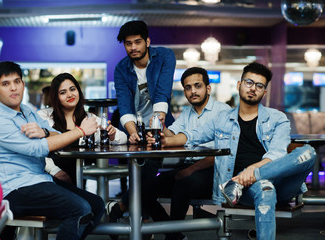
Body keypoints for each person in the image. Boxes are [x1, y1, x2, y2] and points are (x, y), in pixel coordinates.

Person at [147, 62, 316, 240]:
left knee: (308, 152)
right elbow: (192, 136)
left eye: (259, 86)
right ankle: (250, 181)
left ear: (264, 92)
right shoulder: (222, 119)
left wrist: (252, 172)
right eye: (249, 82)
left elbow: (277, 153)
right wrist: (167, 140)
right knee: (265, 189)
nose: (253, 88)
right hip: (253, 190)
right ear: (239, 85)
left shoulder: (277, 119)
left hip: (279, 183)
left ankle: (248, 177)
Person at [0, 61, 105, 240]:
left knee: (97, 205)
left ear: (23, 84)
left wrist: (45, 132)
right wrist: (81, 131)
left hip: (40, 180)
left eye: (17, 82)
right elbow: (37, 148)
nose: (13, 88)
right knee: (81, 209)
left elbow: (56, 136)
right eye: (6, 84)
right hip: (13, 191)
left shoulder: (27, 111)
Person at [143, 67, 231, 240]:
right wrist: (162, 127)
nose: (193, 91)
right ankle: (174, 234)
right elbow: (174, 136)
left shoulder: (223, 111)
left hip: (212, 169)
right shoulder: (187, 113)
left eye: (197, 86)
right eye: (188, 88)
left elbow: (224, 153)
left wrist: (190, 170)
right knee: (145, 188)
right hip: (186, 166)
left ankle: (172, 235)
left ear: (208, 88)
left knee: (182, 184)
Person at [109, 20, 176, 230]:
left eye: (137, 42)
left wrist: (155, 129)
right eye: (128, 44)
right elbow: (124, 104)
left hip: (160, 122)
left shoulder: (165, 56)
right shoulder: (121, 68)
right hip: (132, 126)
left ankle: (121, 207)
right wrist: (131, 132)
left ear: (147, 41)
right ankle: (155, 225)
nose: (133, 48)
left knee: (148, 172)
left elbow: (163, 93)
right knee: (139, 173)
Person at [37, 73, 127, 184]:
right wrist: (55, 171)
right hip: (47, 178)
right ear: (56, 97)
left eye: (72, 89)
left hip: (77, 180)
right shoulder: (43, 116)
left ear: (79, 91)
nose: (69, 95)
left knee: (94, 201)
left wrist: (112, 135)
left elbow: (123, 138)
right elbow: (35, 150)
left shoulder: (89, 119)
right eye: (63, 92)